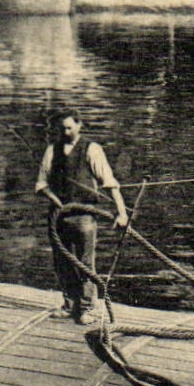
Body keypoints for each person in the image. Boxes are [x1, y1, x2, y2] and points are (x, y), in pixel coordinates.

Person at [34, 110, 129, 324]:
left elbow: (110, 183)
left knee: (85, 262)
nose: (66, 132)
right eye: (62, 129)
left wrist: (121, 214)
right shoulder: (52, 150)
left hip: (85, 215)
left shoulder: (92, 150)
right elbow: (41, 184)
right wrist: (55, 200)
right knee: (61, 262)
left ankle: (88, 307)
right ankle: (69, 304)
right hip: (58, 216)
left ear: (79, 125)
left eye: (69, 127)